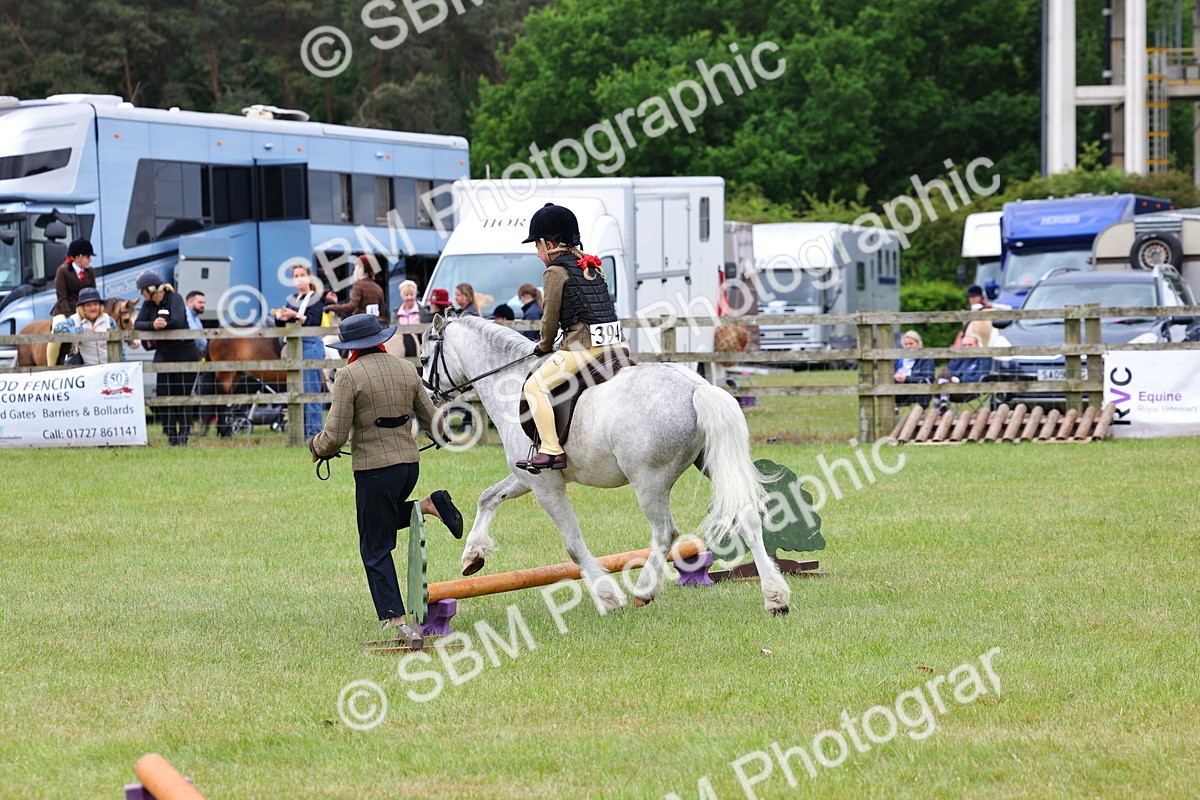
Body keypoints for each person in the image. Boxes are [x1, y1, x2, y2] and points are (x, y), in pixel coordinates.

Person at [309, 313, 464, 646]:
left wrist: (317, 447)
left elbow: (334, 436)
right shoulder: (405, 368)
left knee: (375, 546)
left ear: (350, 347)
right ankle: (428, 504)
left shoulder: (348, 375)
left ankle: (393, 618)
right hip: (409, 466)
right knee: (378, 525)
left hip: (374, 471)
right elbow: (435, 423)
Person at [516, 203, 623, 473]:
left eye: (537, 246)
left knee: (534, 387)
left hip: (582, 347)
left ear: (549, 244)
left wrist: (543, 346)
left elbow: (550, 321)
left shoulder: (555, 272)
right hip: (613, 345)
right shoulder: (591, 266)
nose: (538, 253)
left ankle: (551, 448)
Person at [135, 270, 200, 446]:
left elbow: (178, 321)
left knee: (183, 395)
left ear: (151, 289)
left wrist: (161, 325)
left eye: (142, 290)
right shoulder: (148, 305)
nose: (141, 294)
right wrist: (152, 325)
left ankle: (184, 437)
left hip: (184, 351)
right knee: (164, 396)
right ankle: (171, 437)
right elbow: (137, 323)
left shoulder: (174, 298)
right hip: (164, 354)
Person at [275, 264, 327, 439]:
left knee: (311, 391)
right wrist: (281, 317)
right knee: (297, 391)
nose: (299, 278)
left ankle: (314, 434)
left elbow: (314, 322)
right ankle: (301, 433)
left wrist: (295, 315)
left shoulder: (316, 298)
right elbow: (283, 326)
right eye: (296, 276)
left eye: (302, 275)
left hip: (311, 344)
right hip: (294, 346)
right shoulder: (292, 299)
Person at [47, 238, 97, 367]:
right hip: (64, 310)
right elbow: (62, 297)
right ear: (78, 257)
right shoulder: (62, 271)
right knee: (56, 337)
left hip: (84, 311)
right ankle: (50, 365)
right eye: (88, 256)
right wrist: (72, 317)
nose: (90, 260)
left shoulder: (90, 271)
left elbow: (93, 294)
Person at [52, 287, 115, 366]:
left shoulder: (109, 320)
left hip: (109, 368)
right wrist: (82, 331)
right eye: (88, 305)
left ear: (100, 305)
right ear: (83, 308)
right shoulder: (75, 319)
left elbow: (119, 346)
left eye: (95, 304)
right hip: (87, 370)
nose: (93, 308)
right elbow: (57, 329)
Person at [936, 333, 992, 412]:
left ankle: (941, 409)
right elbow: (949, 371)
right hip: (952, 389)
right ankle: (943, 401)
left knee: (939, 384)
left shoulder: (984, 358)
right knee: (942, 375)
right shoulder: (959, 357)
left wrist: (959, 380)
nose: (967, 347)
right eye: (964, 345)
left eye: (970, 345)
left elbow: (980, 377)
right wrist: (953, 379)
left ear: (978, 345)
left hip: (971, 389)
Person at [325, 255, 387, 322]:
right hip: (375, 324)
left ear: (362, 269)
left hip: (361, 324)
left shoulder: (359, 285)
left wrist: (332, 307)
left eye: (356, 268)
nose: (354, 271)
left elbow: (351, 306)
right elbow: (382, 310)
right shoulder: (378, 288)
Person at [893, 329, 933, 407]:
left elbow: (928, 379)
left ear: (918, 344)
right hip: (897, 388)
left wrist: (906, 379)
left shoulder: (925, 358)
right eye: (906, 344)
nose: (908, 346)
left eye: (911, 344)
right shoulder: (898, 359)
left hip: (917, 391)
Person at [395, 279, 423, 357]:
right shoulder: (396, 312)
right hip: (401, 347)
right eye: (406, 295)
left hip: (420, 346)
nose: (409, 297)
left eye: (411, 294)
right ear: (402, 296)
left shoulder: (422, 310)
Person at [185, 291, 208, 359]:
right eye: (200, 302)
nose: (203, 305)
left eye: (204, 303)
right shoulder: (186, 314)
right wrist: (208, 349)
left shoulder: (195, 317)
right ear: (190, 302)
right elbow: (196, 334)